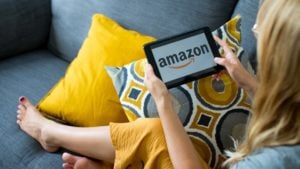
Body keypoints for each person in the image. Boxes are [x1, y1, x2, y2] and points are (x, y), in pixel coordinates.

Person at [16, 0, 300, 168]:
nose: (254, 33)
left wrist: (164, 104)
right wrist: (250, 83)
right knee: (159, 135)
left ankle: (50, 132)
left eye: (262, 31)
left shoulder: (272, 161)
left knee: (157, 132)